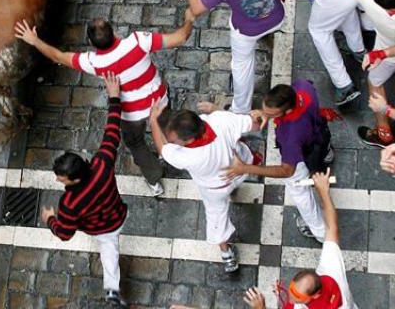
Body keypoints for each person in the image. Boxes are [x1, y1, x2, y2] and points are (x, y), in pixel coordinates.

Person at [15, 10, 196, 196]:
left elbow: (59, 57)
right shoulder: (139, 41)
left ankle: (154, 177)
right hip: (159, 103)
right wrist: (189, 20)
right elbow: (181, 38)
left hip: (131, 115)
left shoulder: (94, 62)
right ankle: (173, 152)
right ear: (114, 32)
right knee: (168, 129)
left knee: (135, 143)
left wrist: (35, 40)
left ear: (92, 45)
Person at [44, 73, 128, 307]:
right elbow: (112, 132)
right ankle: (111, 289)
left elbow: (64, 233)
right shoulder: (102, 164)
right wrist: (114, 97)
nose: (59, 181)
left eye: (62, 179)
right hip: (118, 215)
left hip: (99, 228)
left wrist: (50, 219)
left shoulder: (69, 204)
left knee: (108, 248)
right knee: (110, 246)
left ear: (74, 178)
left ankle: (113, 289)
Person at [150, 103, 262, 273]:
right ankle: (234, 190)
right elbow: (254, 124)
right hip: (240, 169)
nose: (172, 142)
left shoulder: (188, 157)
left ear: (189, 139)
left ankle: (227, 254)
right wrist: (217, 110)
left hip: (215, 189)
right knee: (233, 189)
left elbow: (162, 148)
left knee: (217, 219)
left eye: (175, 140)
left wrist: (153, 121)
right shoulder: (220, 119)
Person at [182, 0, 286, 114]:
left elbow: (196, 9)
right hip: (276, 18)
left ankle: (240, 109)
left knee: (241, 65)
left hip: (246, 31)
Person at [225, 81, 333, 243]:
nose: (266, 116)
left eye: (272, 114)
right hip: (318, 133)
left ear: (288, 110)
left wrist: (246, 168)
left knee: (300, 192)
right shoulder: (303, 87)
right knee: (322, 151)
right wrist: (267, 113)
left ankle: (320, 232)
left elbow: (287, 171)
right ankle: (327, 154)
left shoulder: (290, 135)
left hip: (302, 156)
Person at [281, 171, 359, 309]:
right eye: (292, 289)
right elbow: (332, 228)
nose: (291, 298)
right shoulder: (333, 275)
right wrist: (324, 191)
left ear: (316, 295)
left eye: (298, 297)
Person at [356, 0, 395, 147]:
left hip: (385, 52)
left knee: (375, 83)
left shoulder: (370, 5)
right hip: (386, 54)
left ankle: (384, 132)